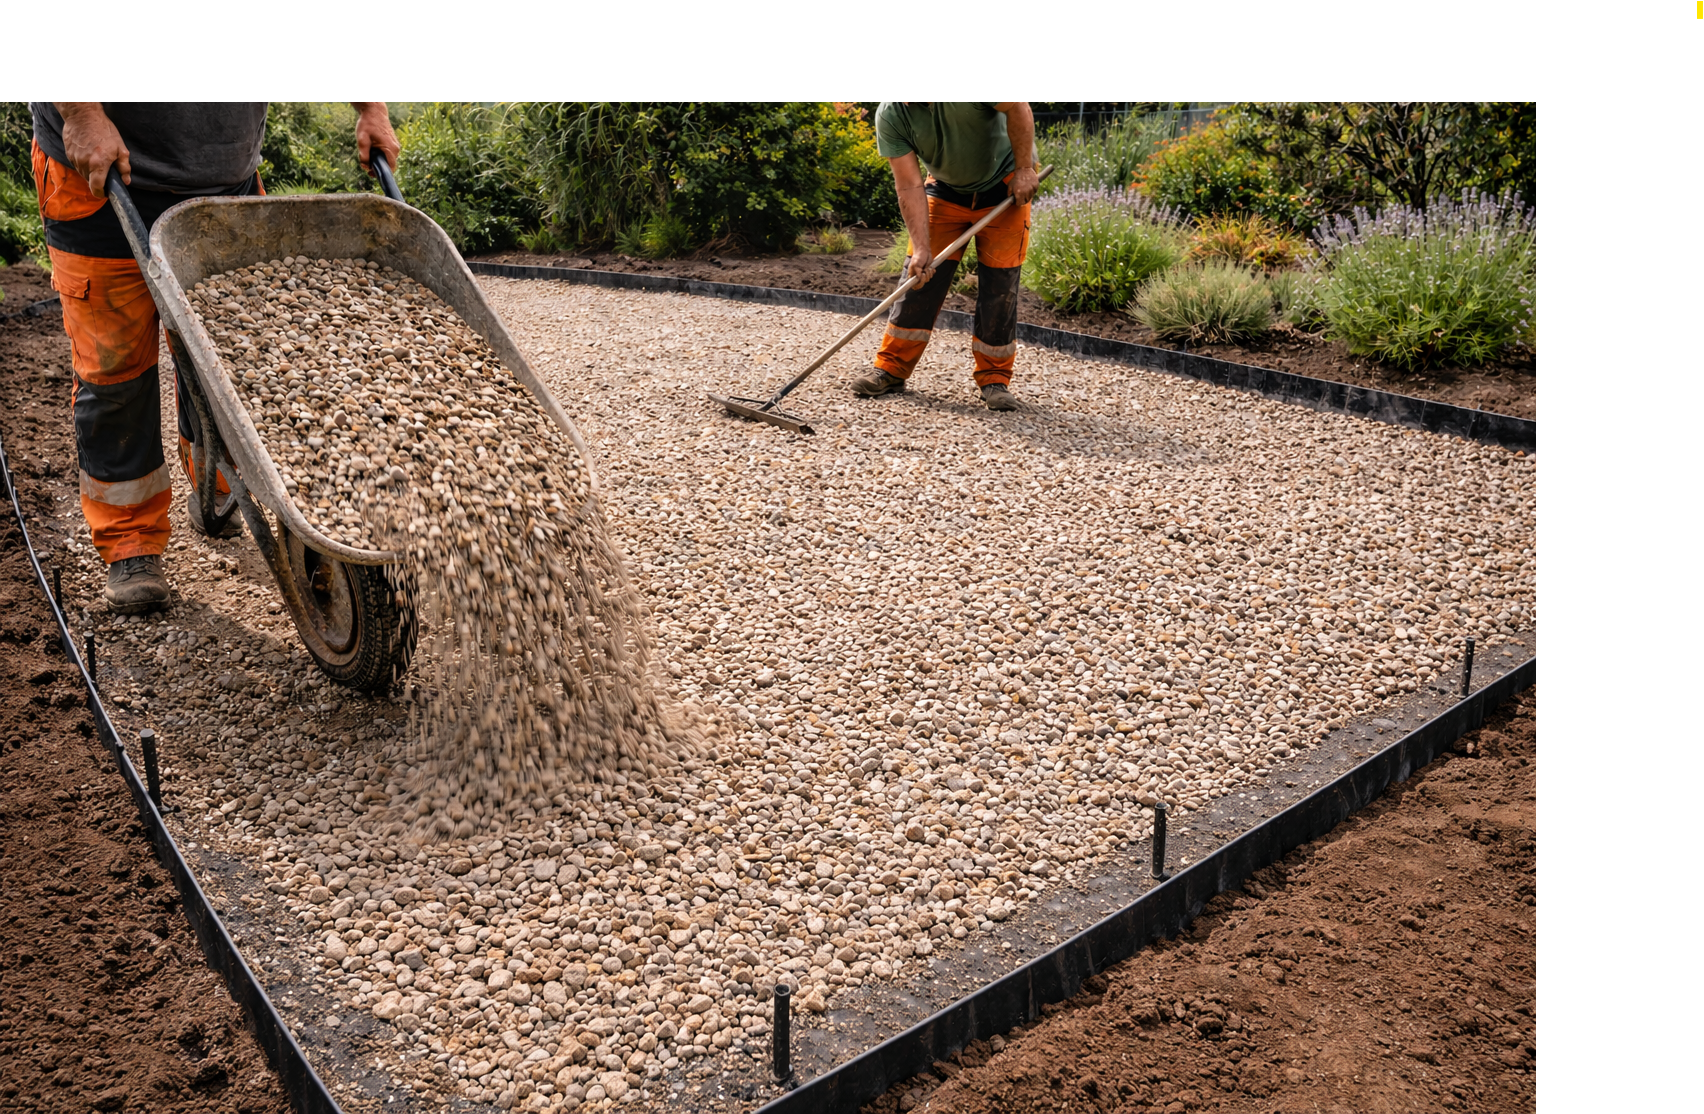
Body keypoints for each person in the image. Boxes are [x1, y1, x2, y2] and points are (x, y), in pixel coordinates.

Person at [30, 101, 400, 613]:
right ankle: (130, 540)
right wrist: (81, 115)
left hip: (222, 180)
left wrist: (371, 108)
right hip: (99, 172)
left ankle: (217, 487)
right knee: (115, 369)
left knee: (227, 356)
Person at [852, 102, 1038, 412]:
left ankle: (994, 379)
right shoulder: (891, 114)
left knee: (1000, 287)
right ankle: (891, 369)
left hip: (1003, 187)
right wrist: (922, 248)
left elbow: (1018, 106)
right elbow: (909, 184)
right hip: (946, 190)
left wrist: (1024, 169)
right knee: (918, 279)